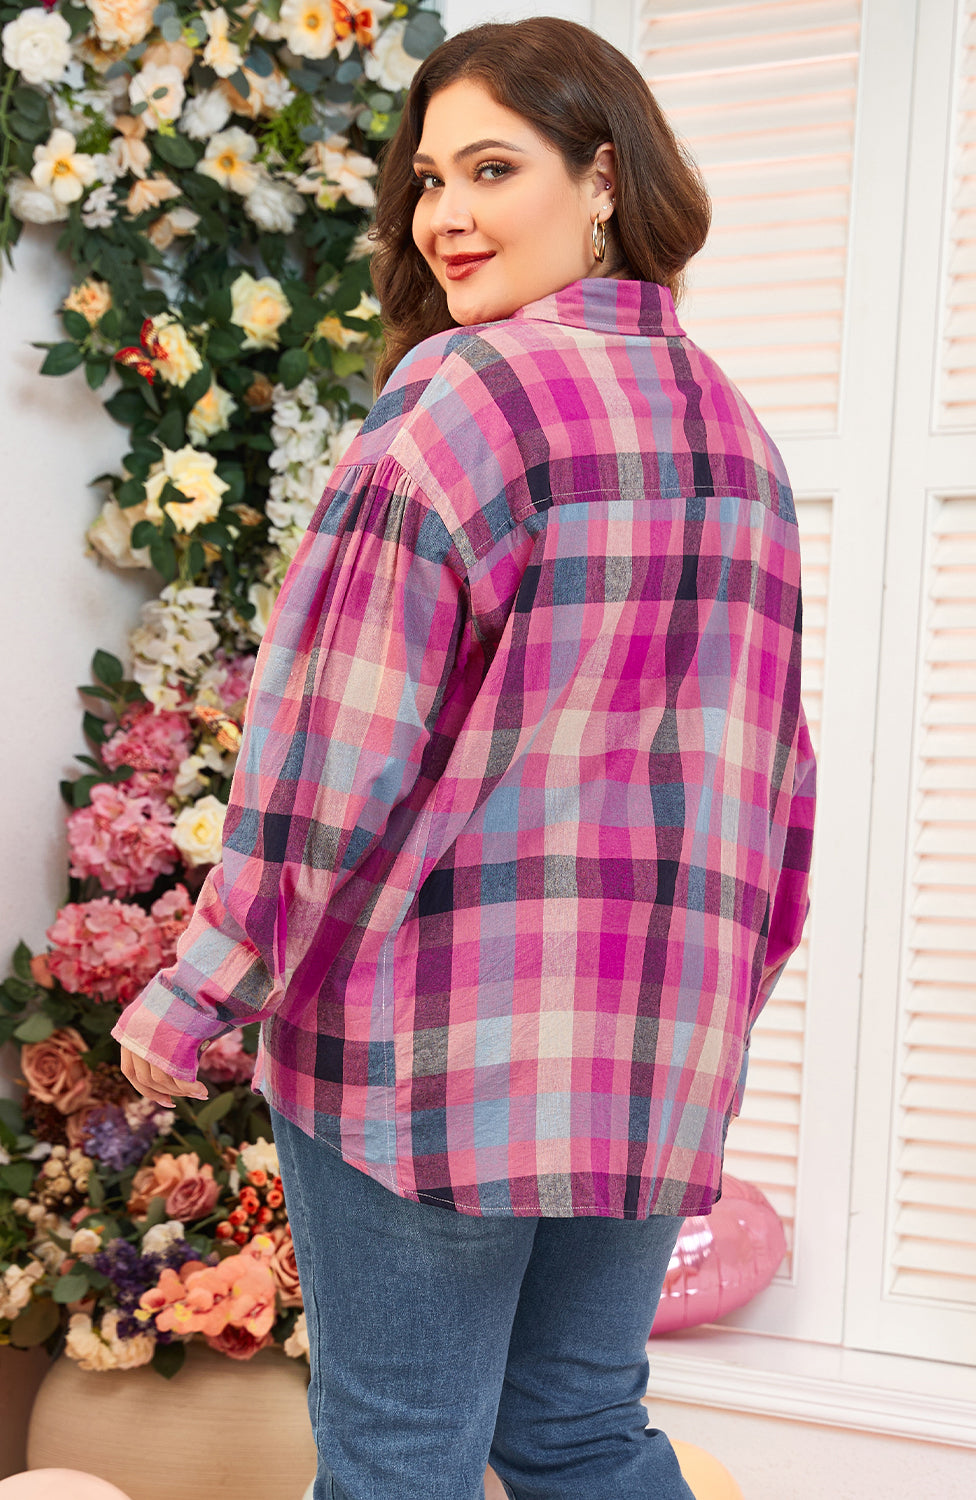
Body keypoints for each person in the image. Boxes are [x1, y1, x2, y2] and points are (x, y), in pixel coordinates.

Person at [113, 17, 816, 1500]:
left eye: (491, 167)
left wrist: (196, 997)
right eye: (427, 178)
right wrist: (707, 1012)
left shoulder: (457, 401)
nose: (443, 215)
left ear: (604, 176)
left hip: (427, 1051)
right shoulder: (740, 442)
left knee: (398, 1463)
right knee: (576, 1435)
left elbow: (324, 758)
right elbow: (775, 794)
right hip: (646, 1054)